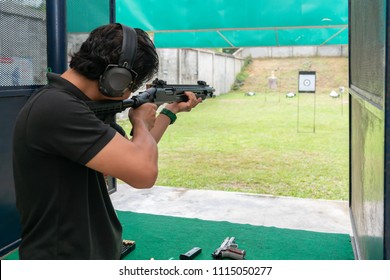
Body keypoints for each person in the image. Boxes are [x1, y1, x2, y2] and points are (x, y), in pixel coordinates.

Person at [12, 23, 201, 259]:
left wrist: (168, 113)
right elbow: (143, 174)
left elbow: (133, 155)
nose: (129, 95)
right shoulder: (57, 108)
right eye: (131, 86)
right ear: (117, 79)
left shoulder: (72, 104)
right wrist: (140, 122)